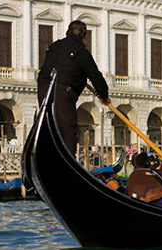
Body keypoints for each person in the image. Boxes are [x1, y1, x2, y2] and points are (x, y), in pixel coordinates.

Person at [37, 20, 111, 155]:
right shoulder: (82, 53)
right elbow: (96, 77)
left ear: (67, 33)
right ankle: (67, 159)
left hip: (42, 89)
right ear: (83, 38)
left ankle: (47, 156)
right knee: (67, 129)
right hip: (63, 92)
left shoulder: (53, 46)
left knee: (47, 127)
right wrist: (104, 96)